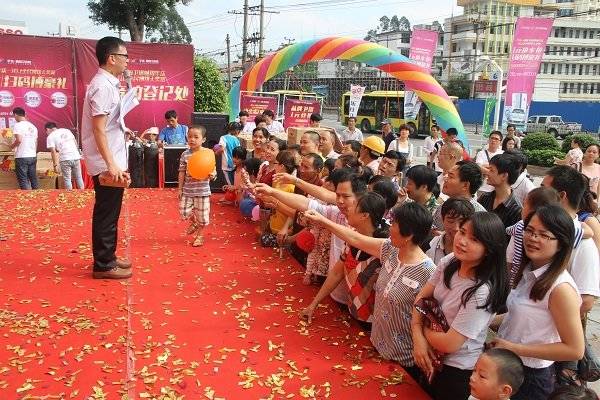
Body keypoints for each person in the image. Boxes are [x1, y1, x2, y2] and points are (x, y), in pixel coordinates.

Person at [304, 202, 436, 381]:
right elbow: (355, 239)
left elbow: (429, 318)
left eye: (395, 224)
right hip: (376, 345)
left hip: (406, 359)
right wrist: (323, 220)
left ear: (409, 234)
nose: (390, 227)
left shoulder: (428, 272)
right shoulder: (389, 249)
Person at [492, 205, 585, 400]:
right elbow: (523, 317)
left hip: (531, 377)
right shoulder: (530, 272)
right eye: (530, 231)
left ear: (561, 243)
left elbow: (575, 349)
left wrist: (516, 348)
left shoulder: (561, 289)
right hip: (508, 365)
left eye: (544, 235)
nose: (533, 238)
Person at [412, 212, 509, 399]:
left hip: (455, 369)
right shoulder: (451, 261)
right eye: (462, 232)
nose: (462, 241)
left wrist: (421, 332)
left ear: (489, 249)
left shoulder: (481, 290)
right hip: (428, 353)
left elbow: (451, 343)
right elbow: (421, 299)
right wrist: (418, 336)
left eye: (474, 239)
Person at [81, 36, 132, 279]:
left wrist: (123, 127)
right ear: (112, 58)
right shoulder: (102, 86)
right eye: (125, 56)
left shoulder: (108, 84)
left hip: (110, 157)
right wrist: (111, 164)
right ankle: (103, 264)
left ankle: (108, 256)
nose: (127, 62)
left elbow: (107, 125)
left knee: (111, 210)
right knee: (106, 212)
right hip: (106, 161)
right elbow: (98, 129)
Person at [300, 192, 388, 327]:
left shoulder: (384, 247)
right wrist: (313, 304)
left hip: (375, 325)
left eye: (353, 206)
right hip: (353, 316)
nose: (347, 210)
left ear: (365, 215)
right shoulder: (351, 237)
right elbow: (336, 273)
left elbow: (356, 240)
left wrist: (323, 220)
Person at [178, 126, 216, 247]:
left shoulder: (208, 153)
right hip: (188, 190)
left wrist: (212, 175)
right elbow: (181, 171)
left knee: (203, 216)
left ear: (203, 139)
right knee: (184, 212)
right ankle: (194, 223)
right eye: (189, 137)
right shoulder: (185, 154)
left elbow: (213, 171)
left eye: (196, 137)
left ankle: (199, 236)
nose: (192, 139)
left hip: (203, 191)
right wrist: (179, 188)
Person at [257, 150, 298, 248]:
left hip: (283, 230)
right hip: (273, 225)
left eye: (275, 163)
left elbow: (292, 213)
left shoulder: (291, 187)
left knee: (264, 240)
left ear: (281, 166)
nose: (273, 166)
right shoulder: (276, 182)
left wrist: (285, 229)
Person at [432, 160, 486, 231]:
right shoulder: (442, 207)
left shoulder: (479, 215)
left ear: (465, 185)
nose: (445, 179)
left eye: (451, 177)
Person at [478, 153, 523, 228]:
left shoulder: (516, 209)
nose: (487, 173)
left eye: (491, 170)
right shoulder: (484, 198)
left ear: (504, 176)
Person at [426, 198, 475, 266]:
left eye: (461, 222)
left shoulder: (473, 253)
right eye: (450, 221)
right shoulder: (429, 245)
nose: (456, 228)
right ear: (443, 220)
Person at [45, 122, 84, 190]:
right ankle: (83, 194)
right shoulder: (66, 130)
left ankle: (69, 195)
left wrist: (55, 165)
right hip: (75, 156)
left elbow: (53, 152)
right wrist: (78, 153)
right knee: (79, 177)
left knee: (67, 179)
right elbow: (75, 142)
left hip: (65, 158)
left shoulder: (50, 137)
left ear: (48, 129)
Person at [10, 107, 39, 190]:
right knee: (33, 178)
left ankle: (27, 200)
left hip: (22, 156)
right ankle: (37, 197)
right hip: (32, 156)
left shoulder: (18, 125)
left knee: (23, 179)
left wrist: (11, 146)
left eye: (14, 116)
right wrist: (33, 152)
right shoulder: (33, 126)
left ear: (15, 115)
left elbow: (18, 140)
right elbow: (35, 142)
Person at [215, 121, 242, 186]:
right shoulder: (237, 140)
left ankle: (231, 195)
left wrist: (215, 153)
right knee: (234, 182)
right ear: (237, 131)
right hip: (235, 164)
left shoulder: (223, 137)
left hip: (226, 165)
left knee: (229, 184)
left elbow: (222, 148)